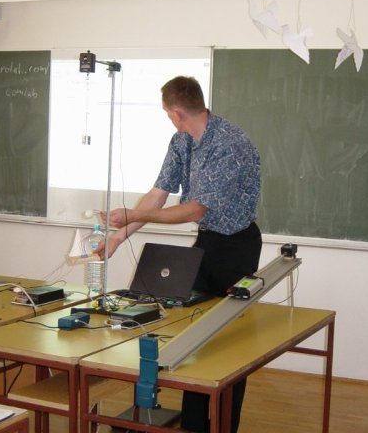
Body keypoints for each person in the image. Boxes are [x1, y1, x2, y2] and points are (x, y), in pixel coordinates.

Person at [96, 75, 262, 432]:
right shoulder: (182, 140)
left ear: (176, 112)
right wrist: (118, 237)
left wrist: (133, 214)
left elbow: (195, 209)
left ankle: (223, 426)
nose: (169, 119)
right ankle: (194, 424)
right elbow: (158, 194)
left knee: (229, 338)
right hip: (208, 241)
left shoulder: (230, 143)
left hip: (237, 246)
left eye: (167, 114)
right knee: (194, 329)